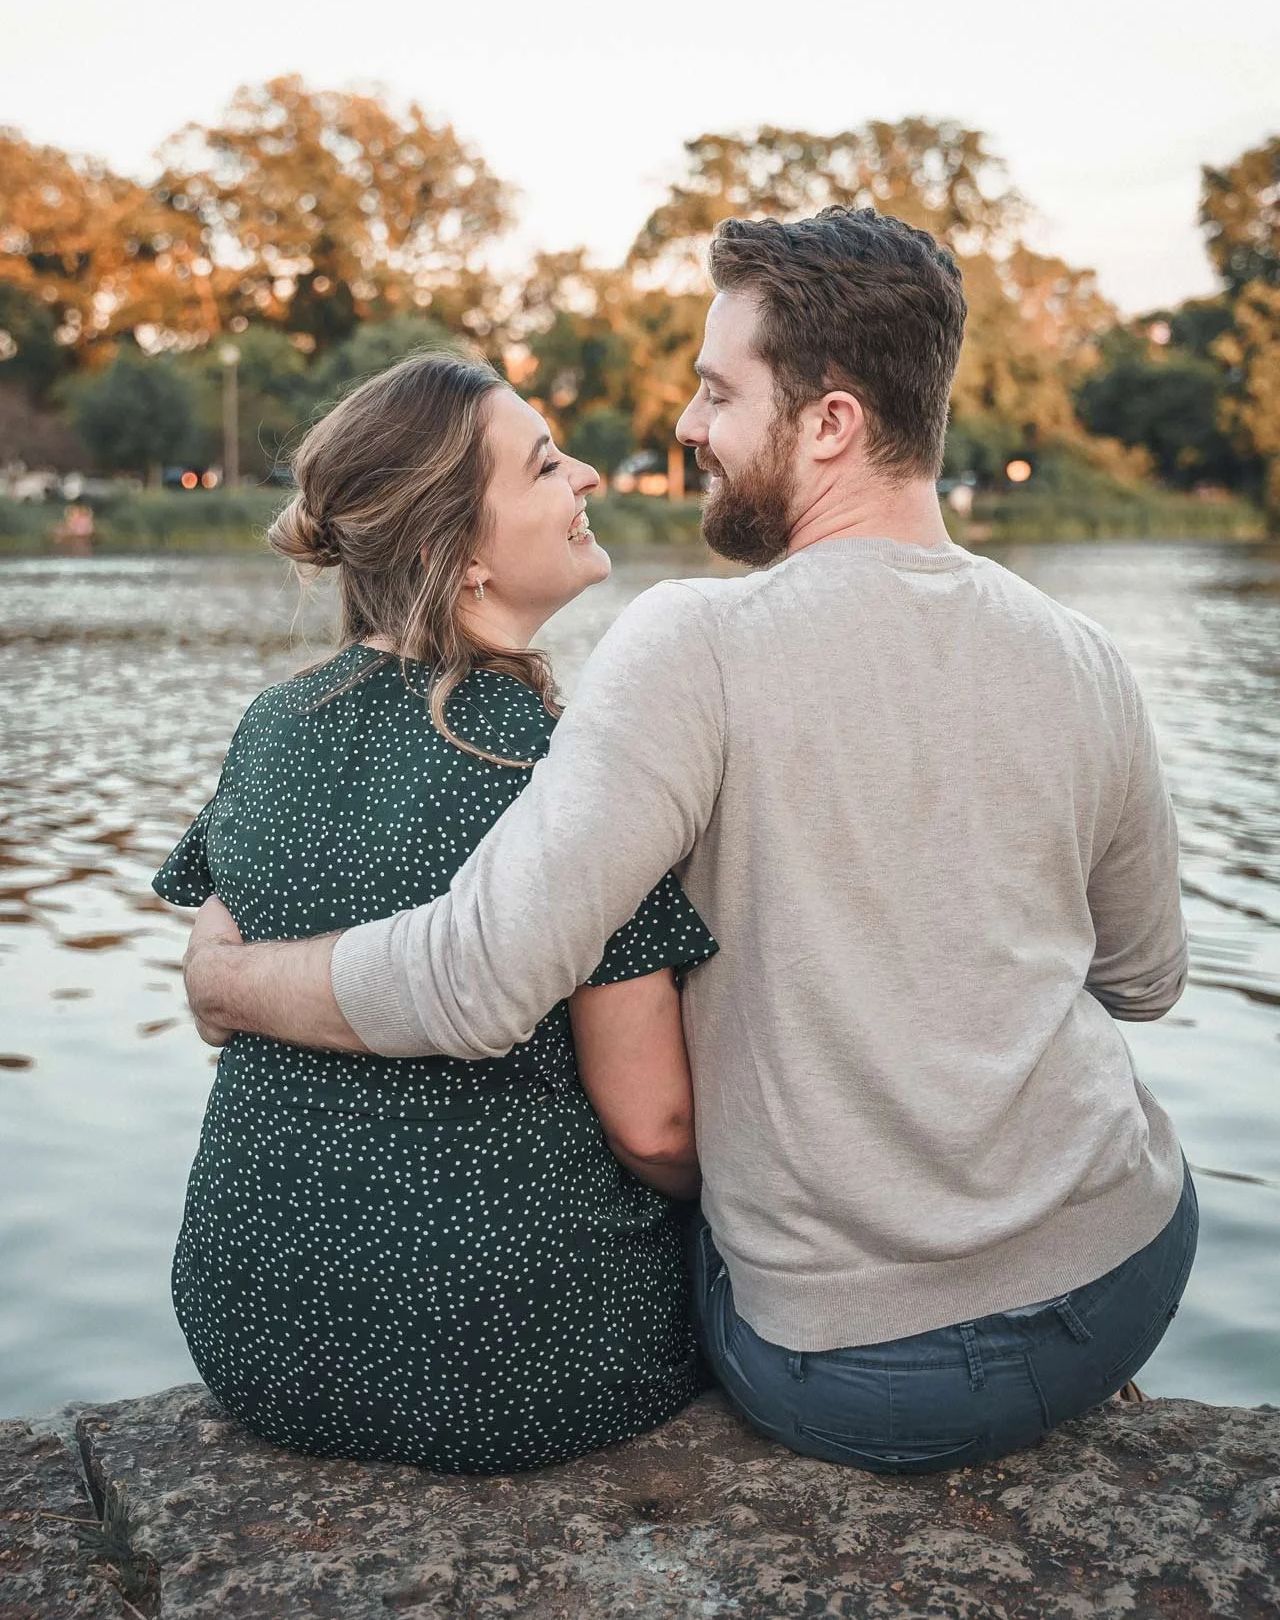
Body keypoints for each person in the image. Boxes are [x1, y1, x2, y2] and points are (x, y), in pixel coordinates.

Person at [186, 208, 1197, 1473]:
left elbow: (479, 974)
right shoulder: (1083, 655)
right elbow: (1145, 981)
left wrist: (229, 980)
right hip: (1122, 1272)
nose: (683, 426)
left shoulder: (693, 645)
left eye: (717, 392)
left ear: (829, 421)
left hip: (846, 1367)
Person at [154, 351, 717, 1472]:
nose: (589, 476)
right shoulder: (556, 770)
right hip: (512, 1356)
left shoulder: (270, 723)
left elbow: (210, 967)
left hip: (251, 1323)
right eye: (548, 463)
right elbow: (652, 1125)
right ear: (455, 554)